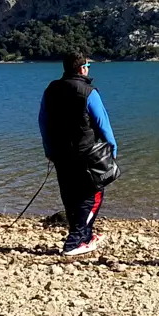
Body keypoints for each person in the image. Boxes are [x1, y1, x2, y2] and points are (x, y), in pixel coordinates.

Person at [38, 52, 118, 256]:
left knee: (70, 197)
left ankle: (87, 237)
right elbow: (103, 125)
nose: (88, 69)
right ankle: (74, 242)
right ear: (82, 69)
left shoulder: (51, 90)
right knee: (94, 196)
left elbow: (43, 122)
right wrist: (112, 151)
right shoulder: (89, 92)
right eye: (88, 66)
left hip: (60, 154)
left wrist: (49, 150)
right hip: (86, 155)